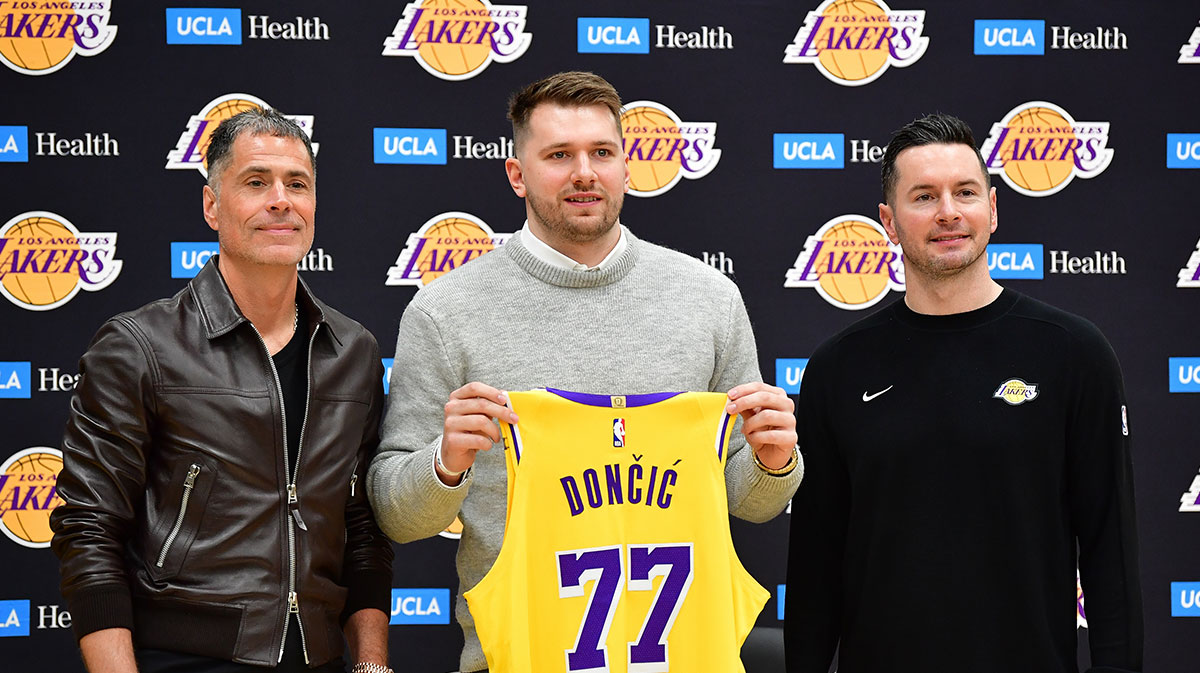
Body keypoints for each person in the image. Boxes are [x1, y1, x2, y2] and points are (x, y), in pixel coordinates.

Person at [367, 71, 802, 673]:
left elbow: (749, 501)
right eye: (558, 155)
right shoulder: (446, 312)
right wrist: (445, 464)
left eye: (603, 152)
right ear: (517, 175)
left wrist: (775, 462)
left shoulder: (709, 300)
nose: (584, 172)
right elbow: (395, 514)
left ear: (627, 166)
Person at [784, 113, 1142, 673]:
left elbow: (1109, 553)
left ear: (993, 209)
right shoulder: (837, 368)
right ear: (889, 222)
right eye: (923, 196)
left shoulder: (1074, 353)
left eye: (965, 192)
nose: (948, 212)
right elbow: (814, 565)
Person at [50, 108, 394, 673]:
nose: (280, 200)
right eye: (256, 182)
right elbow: (88, 529)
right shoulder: (139, 345)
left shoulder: (352, 350)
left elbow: (364, 529)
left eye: (297, 184)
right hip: (183, 655)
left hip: (321, 655)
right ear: (212, 205)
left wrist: (372, 663)